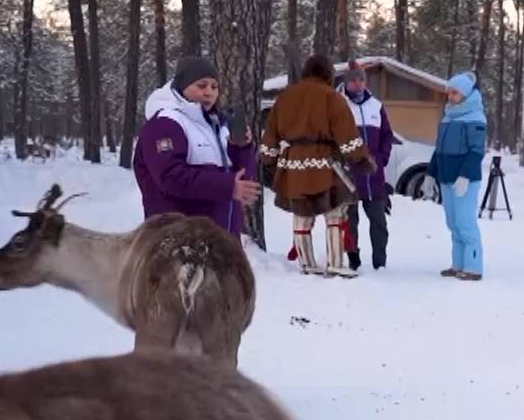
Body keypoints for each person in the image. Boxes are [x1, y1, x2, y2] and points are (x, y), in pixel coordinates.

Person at [260, 53, 375, 277]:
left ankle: (307, 263)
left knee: (302, 214)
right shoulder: (331, 97)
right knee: (335, 213)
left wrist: (269, 160)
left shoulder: (285, 97)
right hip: (325, 163)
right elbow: (347, 135)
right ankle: (335, 262)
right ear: (327, 74)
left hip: (293, 165)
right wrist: (361, 159)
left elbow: (270, 136)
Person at [133, 55, 261, 237]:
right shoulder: (166, 123)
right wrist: (227, 186)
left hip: (221, 240)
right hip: (180, 240)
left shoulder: (218, 124)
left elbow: (241, 179)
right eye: (201, 86)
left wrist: (241, 148)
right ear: (183, 86)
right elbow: (170, 177)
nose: (209, 92)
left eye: (214, 87)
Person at [430, 70, 487, 281]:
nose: (450, 97)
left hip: (465, 180)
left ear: (464, 93)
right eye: (449, 93)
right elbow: (439, 149)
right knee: (453, 223)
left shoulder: (475, 118)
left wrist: (465, 175)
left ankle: (473, 266)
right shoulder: (448, 117)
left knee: (465, 222)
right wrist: (430, 174)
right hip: (447, 179)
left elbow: (476, 151)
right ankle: (458, 264)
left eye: (454, 93)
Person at [339, 63, 396, 270]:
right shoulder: (340, 105)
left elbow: (387, 135)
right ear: (347, 83)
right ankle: (353, 259)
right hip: (349, 176)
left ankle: (380, 263)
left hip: (374, 175)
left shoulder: (376, 106)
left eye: (361, 79)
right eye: (353, 80)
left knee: (379, 222)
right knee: (349, 222)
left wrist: (382, 158)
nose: (358, 83)